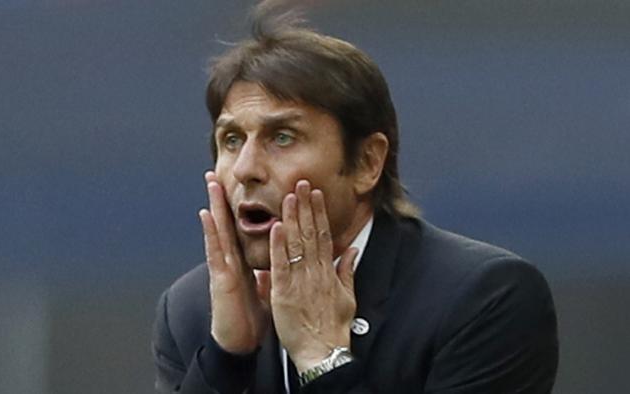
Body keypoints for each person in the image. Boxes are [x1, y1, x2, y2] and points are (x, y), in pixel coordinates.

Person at [152, 2, 558, 393]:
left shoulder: (483, 300)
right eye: (232, 139)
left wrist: (322, 358)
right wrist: (226, 361)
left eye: (282, 137)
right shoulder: (191, 312)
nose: (245, 169)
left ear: (366, 163)